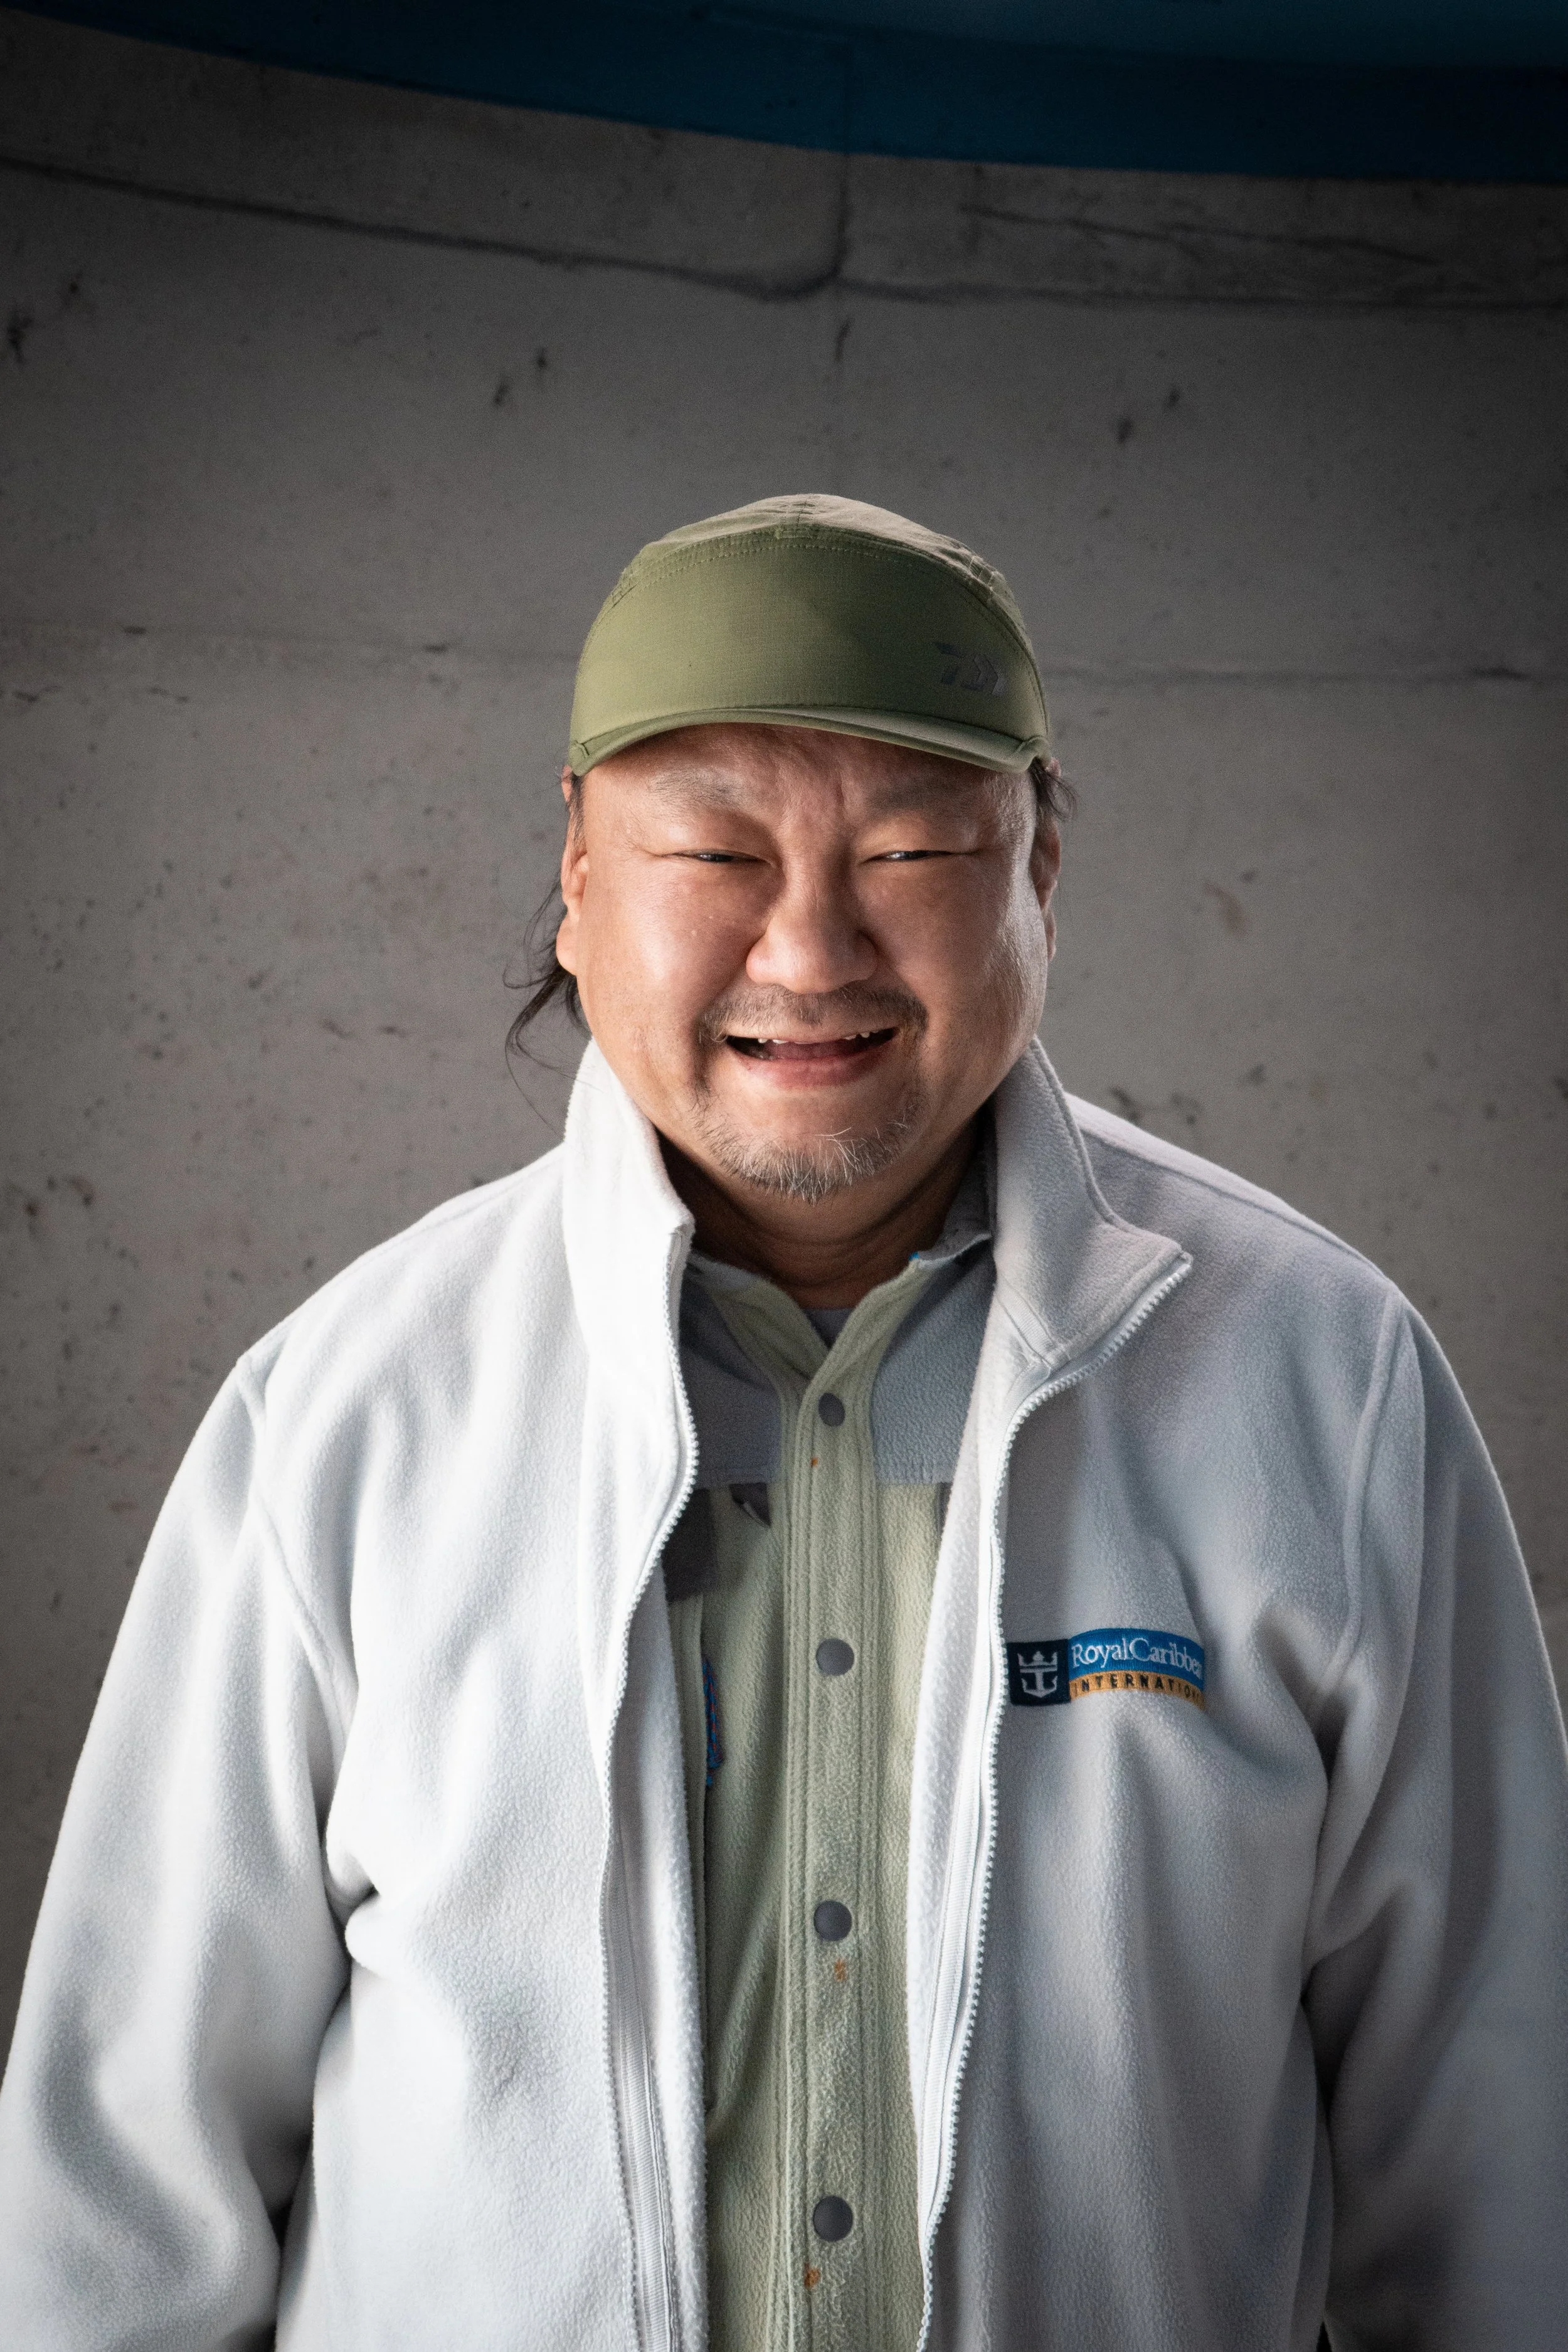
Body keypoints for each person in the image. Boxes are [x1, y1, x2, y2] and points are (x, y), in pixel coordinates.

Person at [1, 494, 1564, 2351]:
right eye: (712, 848)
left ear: (1038, 877)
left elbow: (1496, 2153)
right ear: (577, 879)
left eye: (911, 847)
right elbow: (115, 2201)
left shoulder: (1320, 1383)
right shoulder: (350, 1416)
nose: (810, 948)